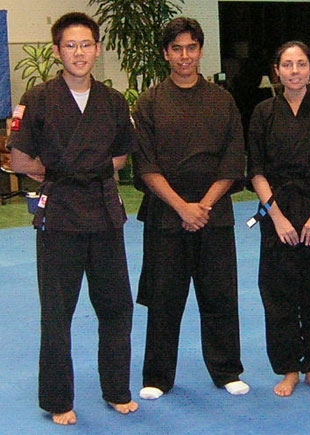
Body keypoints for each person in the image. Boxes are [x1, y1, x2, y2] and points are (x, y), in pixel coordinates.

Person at [7, 12, 138, 425]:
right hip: (60, 214)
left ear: (97, 49)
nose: (79, 53)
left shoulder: (113, 101)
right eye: (70, 45)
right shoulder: (38, 98)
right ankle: (58, 400)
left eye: (86, 45)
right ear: (57, 51)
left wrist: (81, 170)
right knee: (57, 312)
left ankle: (116, 390)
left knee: (117, 307)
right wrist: (60, 172)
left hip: (103, 212)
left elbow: (122, 156)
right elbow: (19, 159)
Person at [132, 17, 248, 400]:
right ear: (166, 53)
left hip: (214, 214)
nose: (185, 56)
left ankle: (227, 370)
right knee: (164, 300)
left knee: (220, 297)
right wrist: (183, 207)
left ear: (200, 51)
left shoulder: (222, 100)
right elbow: (145, 165)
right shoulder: (149, 102)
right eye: (177, 48)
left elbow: (233, 161)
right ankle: (157, 376)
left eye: (191, 48)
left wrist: (204, 206)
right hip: (167, 215)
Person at [247, 41, 310, 397]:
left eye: (301, 64)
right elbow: (256, 170)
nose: (294, 71)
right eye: (287, 65)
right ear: (276, 70)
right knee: (278, 294)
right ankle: (289, 368)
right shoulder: (263, 113)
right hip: (278, 210)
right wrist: (276, 217)